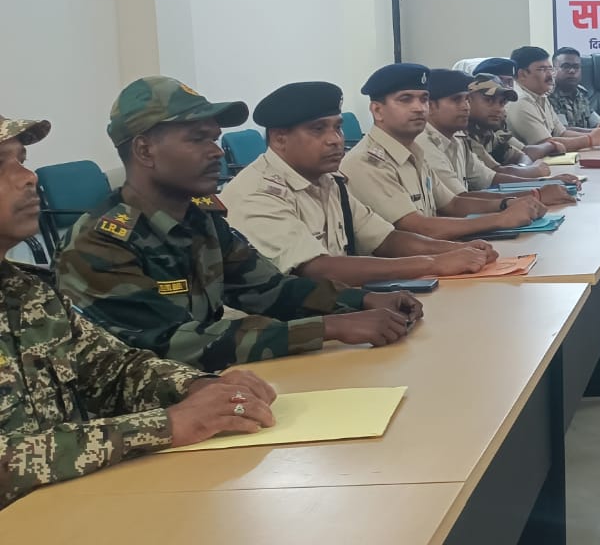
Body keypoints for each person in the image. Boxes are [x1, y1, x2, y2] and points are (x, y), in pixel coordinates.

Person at [0, 113, 281, 507]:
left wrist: (199, 388)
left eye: (22, 160)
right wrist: (164, 425)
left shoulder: (27, 292)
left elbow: (115, 370)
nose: (28, 177)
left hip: (69, 509)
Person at [54, 77, 423, 371]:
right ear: (144, 150)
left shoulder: (201, 218)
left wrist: (363, 300)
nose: (216, 151)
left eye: (214, 138)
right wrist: (329, 328)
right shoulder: (101, 243)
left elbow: (269, 291)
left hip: (211, 388)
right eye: (197, 139)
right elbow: (170, 343)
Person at [223, 81, 501, 285]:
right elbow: (318, 269)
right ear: (279, 138)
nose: (335, 140)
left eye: (337, 127)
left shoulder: (328, 181)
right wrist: (433, 263)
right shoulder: (257, 193)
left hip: (330, 310)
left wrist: (457, 251)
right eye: (318, 129)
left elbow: (385, 239)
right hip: (278, 332)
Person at [340, 63, 548, 242]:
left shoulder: (413, 150)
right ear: (377, 110)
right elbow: (418, 227)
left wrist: (507, 203)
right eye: (406, 99)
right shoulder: (366, 162)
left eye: (423, 99)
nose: (419, 108)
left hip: (430, 257)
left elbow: (453, 203)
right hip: (405, 267)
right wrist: (500, 219)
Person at [422, 68, 577, 202]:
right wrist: (537, 192)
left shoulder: (458, 138)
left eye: (466, 100)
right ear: (430, 105)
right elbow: (458, 202)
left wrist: (544, 183)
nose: (465, 107)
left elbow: (490, 178)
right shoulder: (426, 142)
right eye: (457, 100)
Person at [505, 46, 600, 154]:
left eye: (550, 69)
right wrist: (590, 139)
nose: (550, 75)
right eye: (542, 69)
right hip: (528, 162)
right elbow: (546, 145)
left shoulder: (540, 95)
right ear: (522, 74)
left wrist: (596, 135)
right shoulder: (520, 101)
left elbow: (562, 133)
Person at [463, 72, 555, 178]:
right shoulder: (465, 134)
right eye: (488, 100)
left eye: (502, 103)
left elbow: (522, 156)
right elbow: (495, 174)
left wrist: (523, 168)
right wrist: (531, 171)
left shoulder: (487, 132)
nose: (498, 109)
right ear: (468, 100)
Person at [550, 46, 600, 129]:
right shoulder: (549, 95)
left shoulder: (581, 93)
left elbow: (596, 123)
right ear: (553, 70)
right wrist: (594, 132)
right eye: (566, 66)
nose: (572, 71)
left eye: (576, 67)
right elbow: (562, 131)